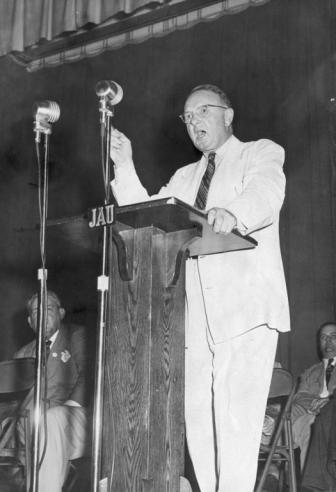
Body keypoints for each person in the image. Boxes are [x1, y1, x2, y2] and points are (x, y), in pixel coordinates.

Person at [110, 84, 290, 491]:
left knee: (236, 424)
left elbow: (266, 192)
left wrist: (234, 213)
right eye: (187, 118)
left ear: (228, 115)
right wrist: (124, 165)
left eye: (203, 112)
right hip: (195, 320)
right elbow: (148, 215)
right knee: (198, 421)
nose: (194, 123)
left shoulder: (259, 152)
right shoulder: (184, 176)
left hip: (246, 312)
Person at [0, 290, 92, 492]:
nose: (42, 313)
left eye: (48, 308)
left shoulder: (78, 337)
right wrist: (11, 422)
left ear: (61, 313)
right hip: (25, 424)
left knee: (51, 420)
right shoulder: (22, 354)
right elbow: (9, 402)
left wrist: (69, 408)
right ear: (29, 321)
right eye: (36, 311)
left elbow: (90, 375)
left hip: (67, 418)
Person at [291, 322, 336, 490]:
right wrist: (316, 404)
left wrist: (328, 403)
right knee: (295, 416)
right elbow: (300, 396)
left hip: (331, 419)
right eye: (323, 338)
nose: (328, 342)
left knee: (311, 426)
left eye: (333, 337)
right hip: (310, 413)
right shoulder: (310, 372)